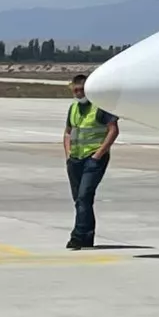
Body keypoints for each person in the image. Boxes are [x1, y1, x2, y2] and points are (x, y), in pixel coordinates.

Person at [63, 74, 118, 249]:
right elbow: (68, 132)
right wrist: (68, 154)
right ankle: (87, 237)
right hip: (75, 159)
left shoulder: (101, 107)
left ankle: (78, 236)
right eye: (75, 90)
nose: (78, 93)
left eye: (81, 90)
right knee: (80, 200)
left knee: (84, 196)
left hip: (93, 159)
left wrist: (98, 154)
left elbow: (113, 130)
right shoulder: (73, 108)